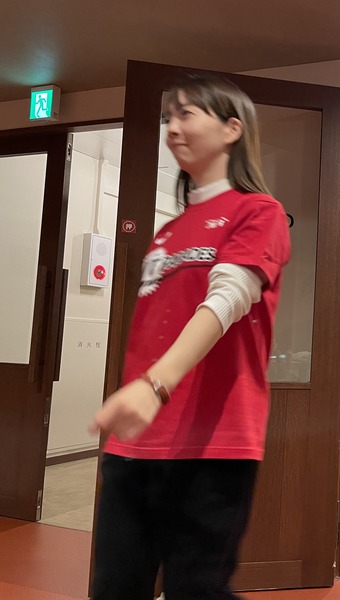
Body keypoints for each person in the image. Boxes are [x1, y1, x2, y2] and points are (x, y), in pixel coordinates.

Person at [88, 74, 291, 599]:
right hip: (136, 442)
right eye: (166, 118)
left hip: (214, 443)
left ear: (231, 129)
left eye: (186, 114)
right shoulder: (166, 232)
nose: (172, 128)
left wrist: (155, 385)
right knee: (113, 588)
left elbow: (229, 297)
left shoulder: (259, 211)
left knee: (197, 590)